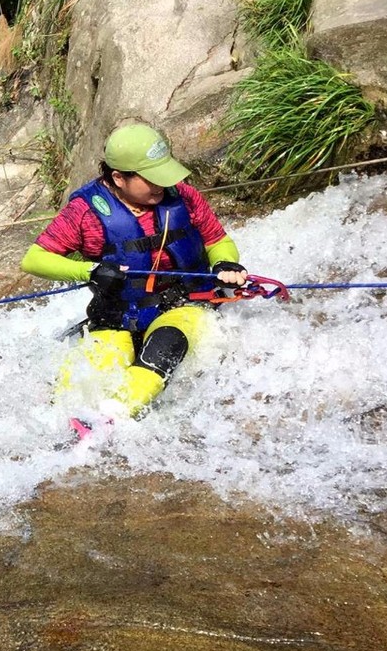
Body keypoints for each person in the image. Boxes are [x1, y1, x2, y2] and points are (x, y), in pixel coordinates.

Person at [19, 123, 249, 428]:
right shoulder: (85, 211)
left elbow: (217, 240)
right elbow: (34, 259)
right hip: (119, 315)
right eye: (151, 178)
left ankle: (112, 417)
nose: (160, 185)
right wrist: (90, 271)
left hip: (182, 305)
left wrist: (224, 264)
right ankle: (60, 422)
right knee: (99, 365)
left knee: (167, 342)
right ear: (119, 178)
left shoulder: (184, 197)